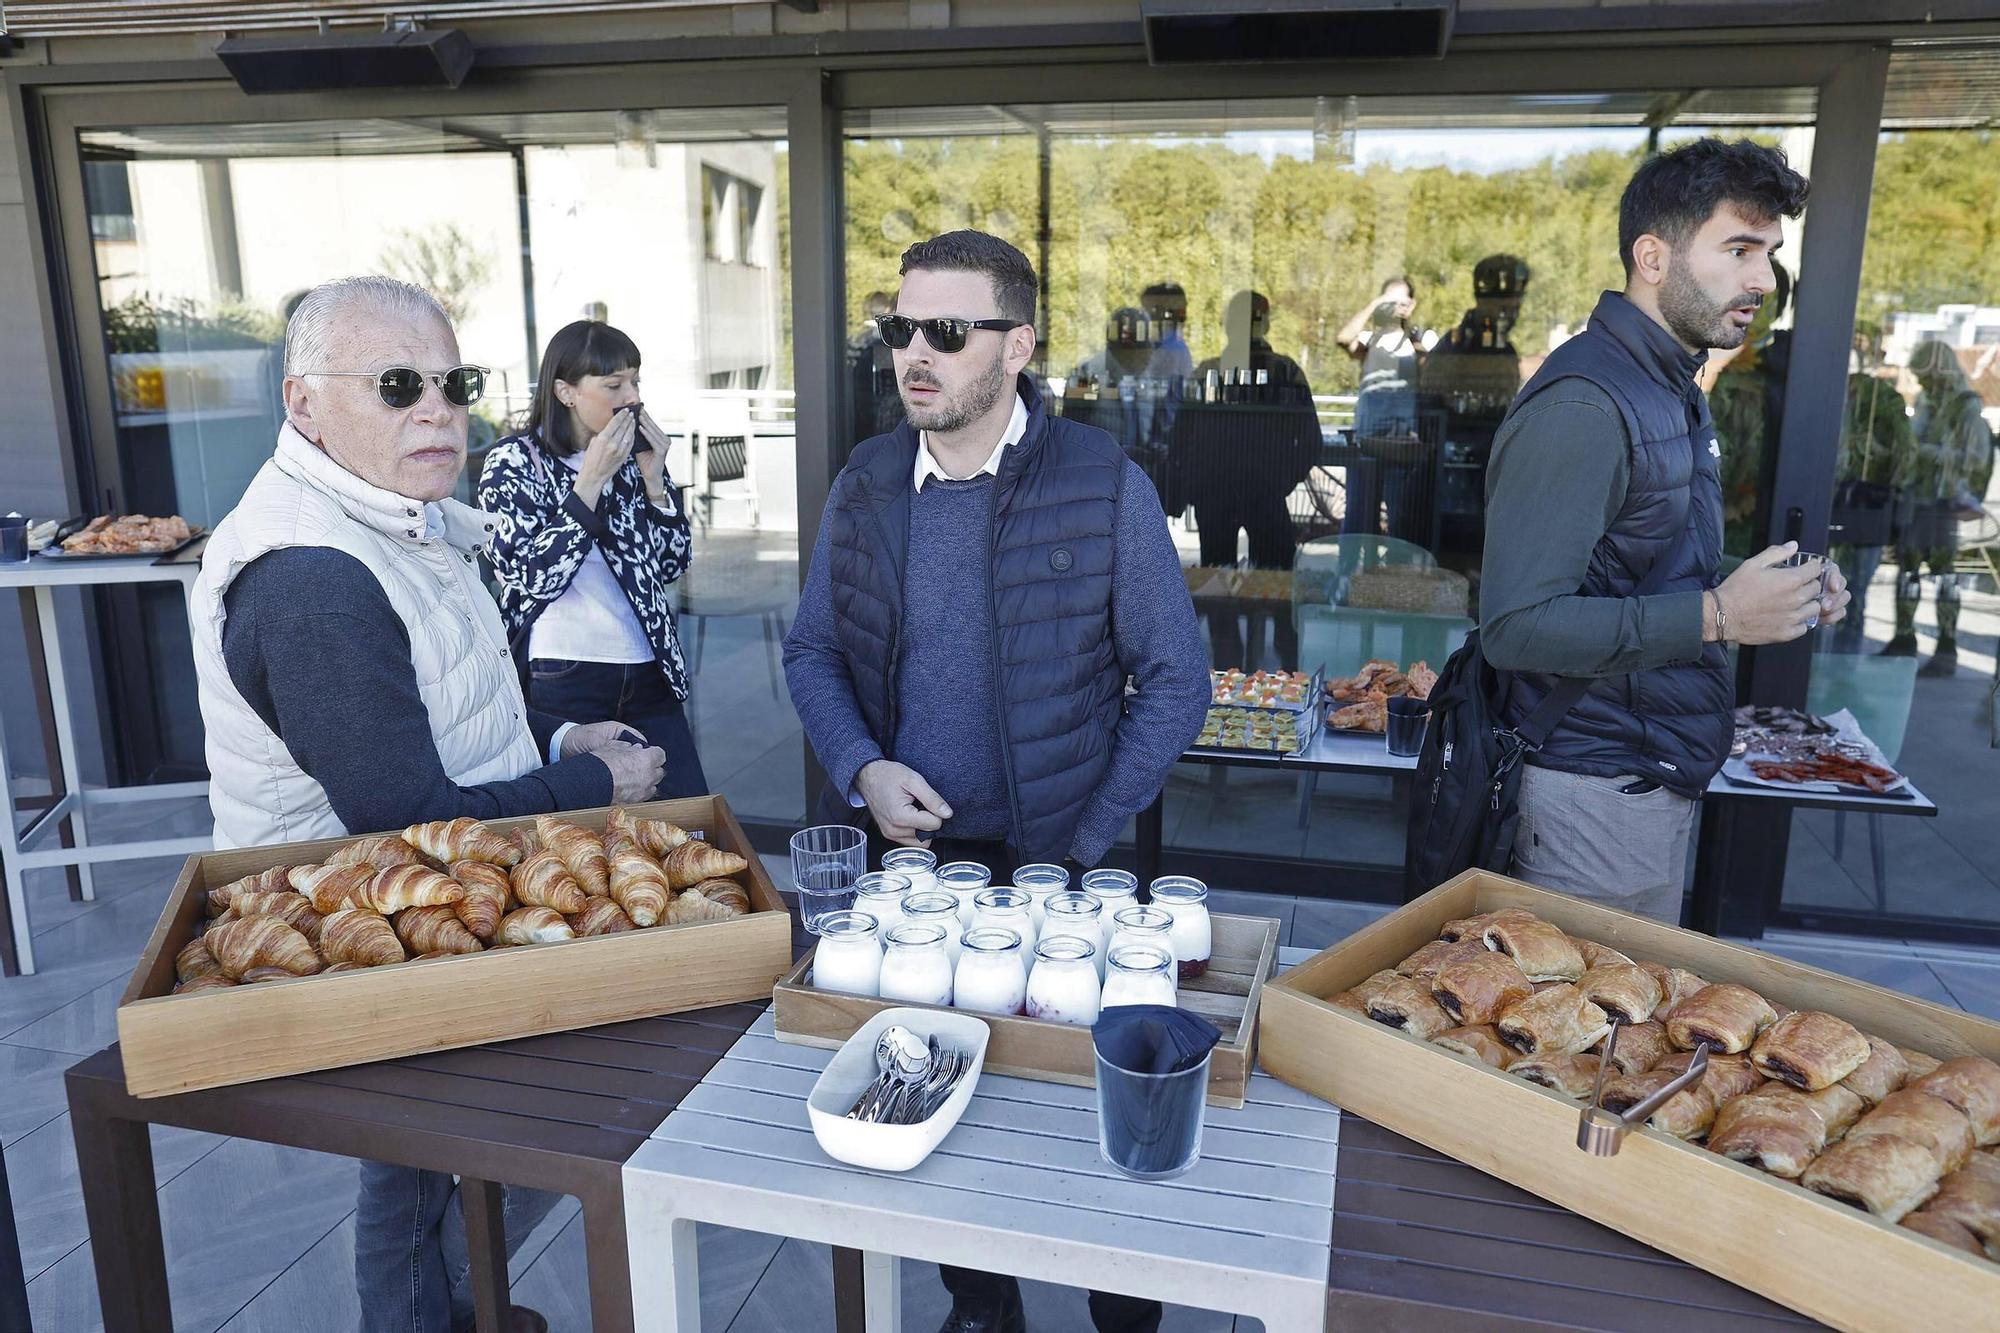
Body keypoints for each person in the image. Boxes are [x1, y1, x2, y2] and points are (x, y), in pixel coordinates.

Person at [189, 276, 667, 1333]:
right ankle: (443, 1309)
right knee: (566, 1105)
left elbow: (452, 713)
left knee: (412, 1159)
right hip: (354, 921)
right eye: (398, 385)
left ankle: (432, 1315)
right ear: (303, 402)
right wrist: (593, 785)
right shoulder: (309, 573)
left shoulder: (399, 517)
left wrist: (560, 741)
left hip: (439, 900)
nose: (438, 410)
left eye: (455, 383)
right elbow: (404, 815)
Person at [783, 230, 1208, 1333]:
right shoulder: (869, 481)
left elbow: (1175, 678)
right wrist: (862, 767)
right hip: (915, 875)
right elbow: (813, 650)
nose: (913, 354)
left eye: (945, 330)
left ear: (1017, 346)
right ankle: (980, 1305)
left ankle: (1124, 1316)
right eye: (900, 328)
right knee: (930, 1097)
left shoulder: (1099, 481)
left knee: (1082, 1112)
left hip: (1063, 872)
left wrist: (1087, 837)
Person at [1478, 138, 1849, 923]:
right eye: (1739, 250)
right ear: (1653, 257)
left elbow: (1647, 556)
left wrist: (1782, 586)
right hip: (1592, 801)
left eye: (1770, 253)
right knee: (1589, 1007)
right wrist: (1720, 616)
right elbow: (1515, 627)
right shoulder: (1586, 402)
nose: (1763, 279)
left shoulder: (1670, 383)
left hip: (1642, 780)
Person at [478, 319, 708, 796]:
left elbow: (671, 565)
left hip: (647, 664)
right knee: (584, 822)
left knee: (687, 815)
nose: (632, 397)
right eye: (614, 384)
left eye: (635, 381)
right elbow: (531, 576)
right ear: (566, 391)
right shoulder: (514, 462)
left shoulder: (633, 460)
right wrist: (589, 483)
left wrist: (655, 481)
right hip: (564, 669)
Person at [1882, 337, 1994, 675]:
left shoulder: (1965, 406)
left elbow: (1976, 459)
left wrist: (1931, 454)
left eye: (1925, 376)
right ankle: (1904, 637)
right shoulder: (1929, 401)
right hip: (1919, 497)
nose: (1922, 383)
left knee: (1944, 575)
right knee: (1908, 569)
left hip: (1944, 502)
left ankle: (1946, 647)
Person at [1339, 276, 1437, 543]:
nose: (1396, 306)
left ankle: (1396, 568)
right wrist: (1375, 305)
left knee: (1401, 519)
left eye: (1402, 300)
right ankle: (1350, 568)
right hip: (1367, 440)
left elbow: (1433, 372)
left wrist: (1413, 338)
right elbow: (1344, 338)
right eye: (1390, 300)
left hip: (1403, 441)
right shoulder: (1370, 340)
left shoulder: (1420, 339)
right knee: (1358, 517)